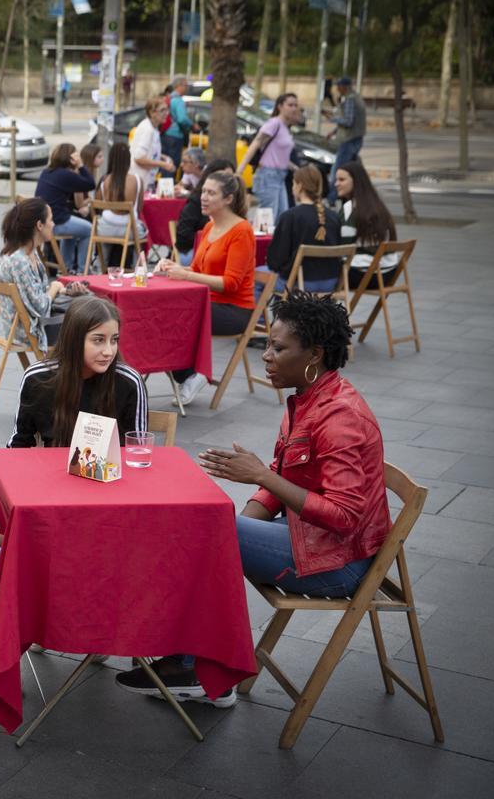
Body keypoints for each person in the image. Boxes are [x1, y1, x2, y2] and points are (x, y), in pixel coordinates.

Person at [115, 292, 388, 704]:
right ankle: (198, 664)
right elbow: (279, 480)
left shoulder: (339, 416)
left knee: (203, 529)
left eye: (278, 348)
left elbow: (345, 516)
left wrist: (258, 480)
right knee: (206, 529)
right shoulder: (308, 396)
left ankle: (196, 667)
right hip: (309, 539)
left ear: (314, 353)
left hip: (338, 562)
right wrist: (240, 527)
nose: (267, 355)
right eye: (268, 344)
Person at [156, 171, 255, 405]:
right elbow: (197, 268)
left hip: (234, 309)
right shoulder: (210, 228)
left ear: (228, 199)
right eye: (203, 191)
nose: (203, 197)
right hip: (205, 301)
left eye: (211, 193)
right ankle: (189, 373)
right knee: (161, 312)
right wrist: (176, 267)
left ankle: (191, 374)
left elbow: (231, 283)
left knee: (173, 316)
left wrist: (187, 274)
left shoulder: (242, 231)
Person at [8, 295, 148, 448]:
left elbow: (137, 449)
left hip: (113, 470)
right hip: (50, 470)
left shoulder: (129, 382)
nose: (109, 351)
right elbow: (18, 444)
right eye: (98, 340)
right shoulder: (38, 379)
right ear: (74, 339)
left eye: (114, 340)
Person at [0, 198, 87, 351]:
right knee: (89, 325)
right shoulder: (19, 262)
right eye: (50, 220)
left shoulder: (30, 253)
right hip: (29, 331)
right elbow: (41, 307)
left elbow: (38, 293)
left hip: (32, 323)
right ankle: (68, 374)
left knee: (88, 311)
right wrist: (56, 286)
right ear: (39, 225)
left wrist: (67, 291)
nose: (53, 224)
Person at [264, 165, 343, 293]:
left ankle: (277, 311)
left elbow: (275, 260)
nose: (292, 187)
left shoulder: (290, 216)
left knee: (252, 277)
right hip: (330, 282)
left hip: (300, 283)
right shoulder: (334, 217)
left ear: (299, 186)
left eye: (293, 184)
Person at [236, 93, 301, 223]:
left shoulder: (285, 127)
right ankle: (263, 243)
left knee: (282, 217)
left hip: (280, 176)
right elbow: (256, 143)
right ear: (280, 106)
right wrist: (240, 170)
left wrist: (296, 169)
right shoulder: (274, 123)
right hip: (268, 175)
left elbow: (280, 157)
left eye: (295, 105)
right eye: (290, 105)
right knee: (268, 218)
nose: (293, 108)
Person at [333, 160, 399, 285]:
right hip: (388, 274)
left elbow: (341, 247)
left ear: (356, 182)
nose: (336, 184)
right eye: (336, 180)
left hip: (365, 275)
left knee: (315, 272)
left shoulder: (350, 208)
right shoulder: (377, 205)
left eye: (342, 180)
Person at [34, 143, 97, 274]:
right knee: (89, 229)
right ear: (70, 159)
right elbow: (90, 183)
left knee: (75, 228)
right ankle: (81, 270)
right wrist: (80, 166)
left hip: (43, 220)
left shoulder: (47, 172)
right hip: (55, 223)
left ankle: (66, 268)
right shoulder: (65, 175)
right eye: (76, 155)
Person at [94, 141, 147, 268]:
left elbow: (97, 207)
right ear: (128, 160)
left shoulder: (104, 180)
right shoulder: (137, 180)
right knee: (142, 230)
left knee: (104, 227)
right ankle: (136, 268)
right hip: (129, 231)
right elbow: (139, 209)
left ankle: (101, 264)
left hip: (105, 230)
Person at [174, 158, 235, 267]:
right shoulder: (197, 202)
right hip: (193, 249)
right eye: (205, 192)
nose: (226, 181)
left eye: (230, 178)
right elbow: (183, 235)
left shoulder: (233, 205)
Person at [325, 77, 367, 206]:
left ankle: (331, 198)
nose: (337, 89)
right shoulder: (357, 97)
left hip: (349, 140)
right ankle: (351, 197)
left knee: (337, 171)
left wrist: (332, 119)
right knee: (352, 171)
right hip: (356, 138)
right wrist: (333, 131)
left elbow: (348, 121)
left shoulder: (350, 100)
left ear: (345, 86)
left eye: (339, 86)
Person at [130, 97, 176, 192]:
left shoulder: (153, 128)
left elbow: (148, 151)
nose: (166, 114)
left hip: (145, 180)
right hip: (139, 182)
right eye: (162, 110)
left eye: (167, 110)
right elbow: (138, 158)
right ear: (152, 113)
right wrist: (163, 164)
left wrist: (163, 157)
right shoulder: (148, 130)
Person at [161, 75, 196, 177]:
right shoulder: (179, 100)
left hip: (165, 134)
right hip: (175, 136)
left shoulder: (169, 98)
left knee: (165, 164)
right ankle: (167, 189)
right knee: (172, 165)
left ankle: (163, 188)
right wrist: (192, 125)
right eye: (185, 85)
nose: (187, 88)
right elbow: (182, 119)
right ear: (179, 86)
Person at [75, 142, 104, 219]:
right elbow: (79, 204)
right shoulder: (80, 174)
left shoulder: (94, 171)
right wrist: (91, 199)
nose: (103, 159)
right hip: (79, 210)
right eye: (99, 157)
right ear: (90, 158)